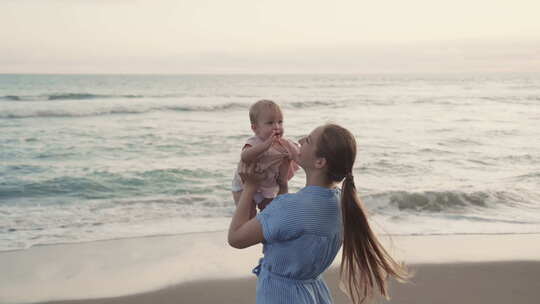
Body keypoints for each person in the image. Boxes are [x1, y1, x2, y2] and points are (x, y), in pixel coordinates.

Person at [228, 123, 409, 304]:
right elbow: (289, 230)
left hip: (281, 296)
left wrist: (250, 187)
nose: (299, 141)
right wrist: (282, 184)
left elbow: (236, 237)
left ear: (320, 162)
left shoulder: (290, 207)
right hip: (314, 295)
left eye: (308, 140)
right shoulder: (341, 203)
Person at [231, 100, 299, 214]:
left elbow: (299, 156)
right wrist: (265, 146)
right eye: (270, 123)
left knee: (269, 214)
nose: (277, 127)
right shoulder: (254, 142)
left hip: (267, 187)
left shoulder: (284, 143)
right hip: (244, 186)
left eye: (280, 122)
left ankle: (263, 229)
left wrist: (296, 150)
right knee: (248, 215)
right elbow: (245, 157)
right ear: (255, 128)